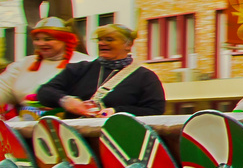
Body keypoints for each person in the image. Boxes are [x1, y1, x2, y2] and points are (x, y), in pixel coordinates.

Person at [36, 24, 165, 117]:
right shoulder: (80, 69)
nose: (102, 43)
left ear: (128, 44)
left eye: (109, 39)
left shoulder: (145, 77)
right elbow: (45, 91)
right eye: (99, 40)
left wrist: (116, 111)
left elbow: (154, 110)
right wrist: (66, 100)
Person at [0, 17, 89, 114]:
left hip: (73, 120)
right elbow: (2, 89)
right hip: (27, 121)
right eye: (37, 39)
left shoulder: (86, 63)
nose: (41, 43)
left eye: (48, 39)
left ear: (65, 40)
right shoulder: (22, 64)